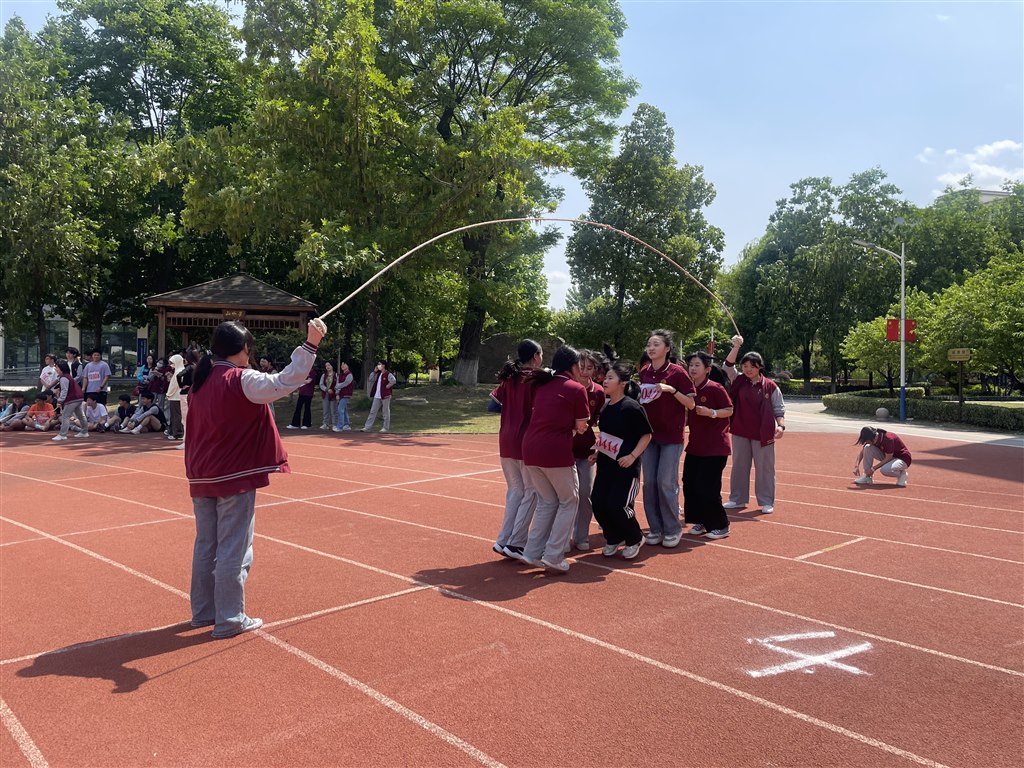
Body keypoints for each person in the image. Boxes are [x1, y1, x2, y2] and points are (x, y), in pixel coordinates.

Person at [185, 318, 327, 638]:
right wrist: (311, 344)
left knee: (206, 545)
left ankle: (204, 612)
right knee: (234, 548)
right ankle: (230, 618)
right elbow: (285, 381)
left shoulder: (201, 380)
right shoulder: (240, 379)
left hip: (201, 472)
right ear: (244, 348)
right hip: (233, 473)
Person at [520, 345, 590, 573]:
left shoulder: (541, 384)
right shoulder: (576, 389)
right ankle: (553, 555)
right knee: (569, 501)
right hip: (556, 452)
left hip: (530, 449)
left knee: (547, 502)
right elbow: (581, 426)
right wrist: (576, 428)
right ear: (573, 366)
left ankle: (532, 552)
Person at [638, 329, 696, 547]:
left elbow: (691, 404)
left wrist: (671, 390)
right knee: (650, 483)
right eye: (649, 344)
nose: (651, 348)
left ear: (667, 349)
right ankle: (655, 528)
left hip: (672, 437)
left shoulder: (678, 373)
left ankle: (672, 528)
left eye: (656, 344)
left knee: (665, 482)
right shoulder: (644, 371)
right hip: (649, 436)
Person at [590, 360, 652, 559]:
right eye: (605, 377)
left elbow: (646, 435)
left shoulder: (632, 408)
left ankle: (634, 538)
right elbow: (606, 437)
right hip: (606, 465)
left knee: (618, 505)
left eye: (610, 378)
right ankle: (613, 537)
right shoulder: (606, 408)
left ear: (622, 383)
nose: (604, 381)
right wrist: (597, 452)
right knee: (598, 502)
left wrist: (633, 456)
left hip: (626, 468)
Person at [490, 339, 543, 560]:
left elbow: (492, 404)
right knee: (531, 492)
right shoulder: (534, 380)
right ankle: (517, 542)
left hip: (506, 439)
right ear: (535, 356)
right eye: (541, 354)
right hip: (524, 440)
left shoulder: (508, 379)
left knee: (515, 491)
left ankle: (504, 539)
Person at [722, 335, 786, 514]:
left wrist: (780, 426)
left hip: (763, 434)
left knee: (765, 468)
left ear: (760, 367)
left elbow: (779, 409)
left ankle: (766, 501)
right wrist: (736, 346)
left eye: (752, 366)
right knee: (739, 466)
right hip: (741, 431)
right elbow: (727, 367)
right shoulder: (739, 380)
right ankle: (737, 499)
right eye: (745, 366)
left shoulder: (771, 386)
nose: (748, 370)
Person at [682, 351, 734, 539]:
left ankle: (721, 525)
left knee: (708, 487)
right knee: (690, 483)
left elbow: (729, 410)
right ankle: (702, 520)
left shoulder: (715, 388)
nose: (693, 368)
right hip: (696, 446)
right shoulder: (689, 390)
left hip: (715, 447)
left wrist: (711, 412)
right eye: (691, 365)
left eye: (697, 365)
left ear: (707, 369)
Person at [570, 349, 606, 551]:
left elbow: (603, 421)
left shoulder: (598, 392)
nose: (584, 372)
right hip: (565, 449)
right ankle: (563, 536)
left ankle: (581, 536)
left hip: (587, 450)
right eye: (581, 367)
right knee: (567, 495)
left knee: (585, 493)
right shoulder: (567, 388)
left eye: (589, 368)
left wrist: (600, 446)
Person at [52, 360, 89, 441]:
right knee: (80, 415)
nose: (56, 369)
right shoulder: (67, 376)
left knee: (65, 416)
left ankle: (62, 434)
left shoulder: (64, 378)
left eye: (57, 367)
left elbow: (64, 391)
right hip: (79, 397)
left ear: (61, 368)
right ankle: (84, 431)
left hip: (72, 399)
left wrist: (60, 401)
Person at [362, 361, 396, 433]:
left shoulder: (388, 374)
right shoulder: (378, 374)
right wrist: (374, 372)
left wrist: (388, 385)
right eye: (378, 364)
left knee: (385, 412)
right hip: (377, 396)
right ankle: (367, 427)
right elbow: (370, 379)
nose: (378, 366)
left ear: (384, 365)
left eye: (380, 364)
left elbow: (393, 380)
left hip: (385, 395)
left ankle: (385, 427)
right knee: (372, 411)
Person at [176, 349, 198, 450]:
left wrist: (181, 385)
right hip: (195, 394)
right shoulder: (198, 367)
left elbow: (178, 375)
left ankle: (186, 440)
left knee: (185, 418)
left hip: (185, 393)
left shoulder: (189, 367)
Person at [287, 365, 316, 430]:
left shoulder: (312, 372)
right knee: (298, 407)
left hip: (308, 393)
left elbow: (308, 381)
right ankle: (295, 424)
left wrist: (299, 381)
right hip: (302, 392)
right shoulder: (303, 372)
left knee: (307, 408)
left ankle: (306, 424)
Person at [334, 361, 354, 431]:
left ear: (348, 366)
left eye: (344, 364)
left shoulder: (349, 375)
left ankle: (340, 426)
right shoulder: (340, 375)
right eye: (341, 364)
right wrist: (337, 393)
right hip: (341, 394)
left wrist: (338, 386)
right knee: (344, 410)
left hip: (346, 394)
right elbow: (337, 384)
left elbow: (346, 383)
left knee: (340, 409)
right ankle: (346, 424)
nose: (342, 365)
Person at [319, 361, 338, 430]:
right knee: (325, 409)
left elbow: (338, 384)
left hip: (333, 394)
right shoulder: (324, 375)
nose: (327, 367)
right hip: (326, 394)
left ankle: (334, 424)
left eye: (329, 365)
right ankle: (325, 424)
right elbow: (321, 384)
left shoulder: (336, 375)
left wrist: (336, 392)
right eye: (326, 366)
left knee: (333, 410)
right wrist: (326, 389)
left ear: (332, 366)